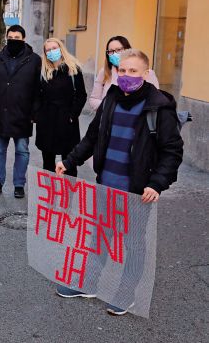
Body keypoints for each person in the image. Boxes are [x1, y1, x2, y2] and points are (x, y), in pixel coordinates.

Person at [55, 49, 183, 315]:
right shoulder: (111, 98)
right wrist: (70, 161)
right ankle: (88, 283)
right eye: (122, 70)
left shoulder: (158, 106)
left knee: (134, 244)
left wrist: (156, 184)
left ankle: (127, 294)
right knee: (100, 236)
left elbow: (172, 151)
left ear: (146, 74)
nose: (126, 76)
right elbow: (92, 137)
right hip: (106, 184)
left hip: (137, 192)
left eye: (133, 71)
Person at [0, 25, 41, 199]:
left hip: (23, 114)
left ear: (23, 39)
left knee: (22, 151)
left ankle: (19, 184)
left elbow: (38, 90)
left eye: (17, 37)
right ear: (6, 38)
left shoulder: (34, 60)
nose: (13, 40)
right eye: (11, 37)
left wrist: (34, 113)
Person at [35, 38, 87, 177]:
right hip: (47, 122)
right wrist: (39, 115)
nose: (52, 51)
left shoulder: (73, 69)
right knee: (48, 162)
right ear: (45, 53)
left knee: (69, 162)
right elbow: (36, 95)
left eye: (54, 48)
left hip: (67, 121)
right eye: (48, 50)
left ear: (61, 48)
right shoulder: (42, 71)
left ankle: (68, 196)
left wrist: (72, 115)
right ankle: (50, 193)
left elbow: (81, 95)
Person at [89, 36, 159, 111]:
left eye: (118, 50)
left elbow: (156, 99)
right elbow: (94, 99)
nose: (114, 54)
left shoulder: (146, 73)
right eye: (111, 51)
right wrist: (110, 107)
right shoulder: (104, 72)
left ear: (128, 50)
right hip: (109, 120)